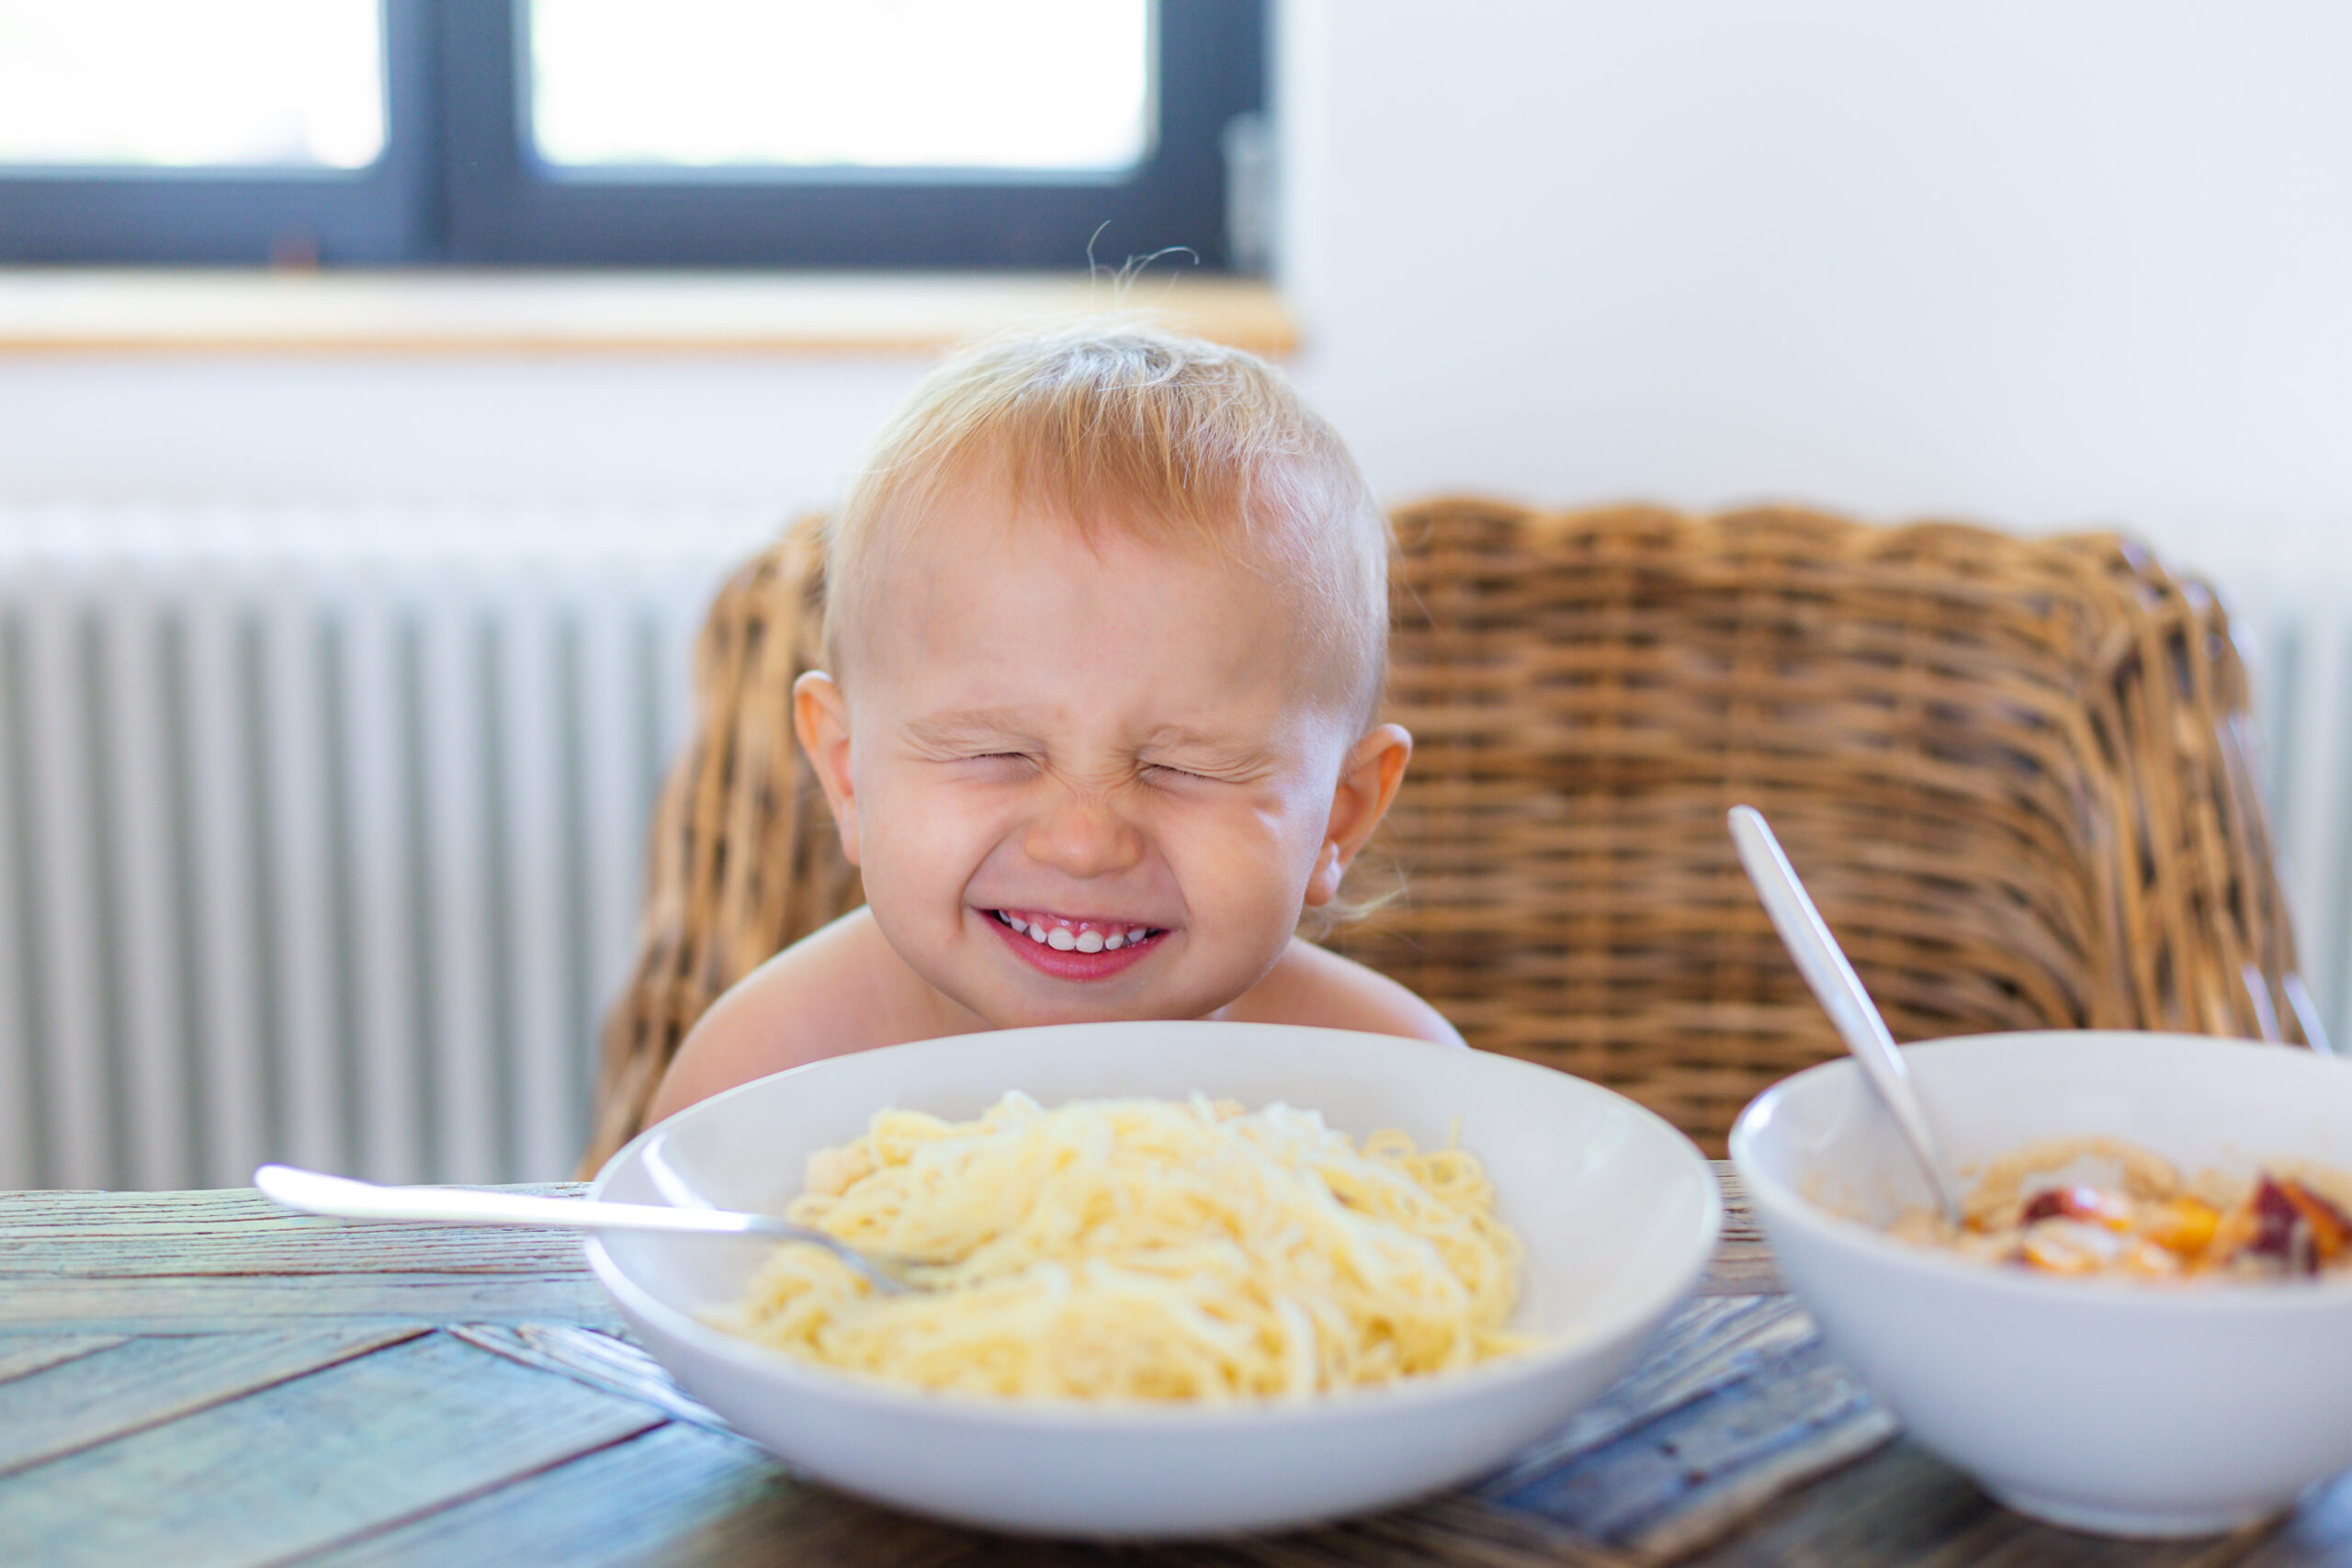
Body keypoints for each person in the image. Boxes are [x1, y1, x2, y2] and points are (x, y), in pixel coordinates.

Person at [645, 322, 1460, 1123]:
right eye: (995, 751)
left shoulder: (1399, 1097)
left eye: (1186, 767)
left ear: (1342, 814)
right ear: (847, 770)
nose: (1083, 842)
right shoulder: (758, 1086)